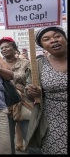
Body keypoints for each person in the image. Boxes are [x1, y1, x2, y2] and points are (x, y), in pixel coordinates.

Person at [25, 26, 67, 154]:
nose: (53, 40)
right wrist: (32, 92)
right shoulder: (38, 64)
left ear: (65, 38)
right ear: (42, 46)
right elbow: (28, 89)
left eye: (57, 36)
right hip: (54, 121)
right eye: (46, 39)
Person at [0, 36, 41, 155]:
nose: (4, 49)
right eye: (1, 48)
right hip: (5, 105)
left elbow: (33, 81)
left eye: (7, 47)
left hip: (24, 104)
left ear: (14, 48)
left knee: (31, 138)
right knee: (6, 142)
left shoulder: (26, 63)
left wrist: (31, 91)